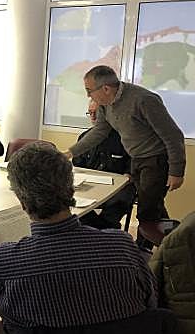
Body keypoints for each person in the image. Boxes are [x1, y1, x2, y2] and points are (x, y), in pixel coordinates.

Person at [0, 142, 156, 330]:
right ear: (71, 189)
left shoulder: (4, 260)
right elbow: (150, 298)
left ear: (21, 199)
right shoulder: (121, 245)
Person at [66, 65, 186, 222]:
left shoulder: (144, 100)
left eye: (89, 90)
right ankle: (170, 235)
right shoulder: (104, 104)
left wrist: (176, 171)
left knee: (147, 212)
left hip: (155, 159)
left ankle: (152, 239)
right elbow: (99, 132)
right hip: (135, 158)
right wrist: (70, 152)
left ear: (106, 89)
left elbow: (173, 135)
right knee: (152, 206)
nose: (88, 95)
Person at [73, 99, 137, 229]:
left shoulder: (125, 138)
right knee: (71, 203)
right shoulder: (84, 137)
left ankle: (103, 230)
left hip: (119, 188)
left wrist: (129, 174)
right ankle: (101, 231)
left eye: (96, 113)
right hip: (90, 185)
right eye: (90, 113)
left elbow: (133, 164)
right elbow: (77, 165)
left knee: (116, 205)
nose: (93, 117)